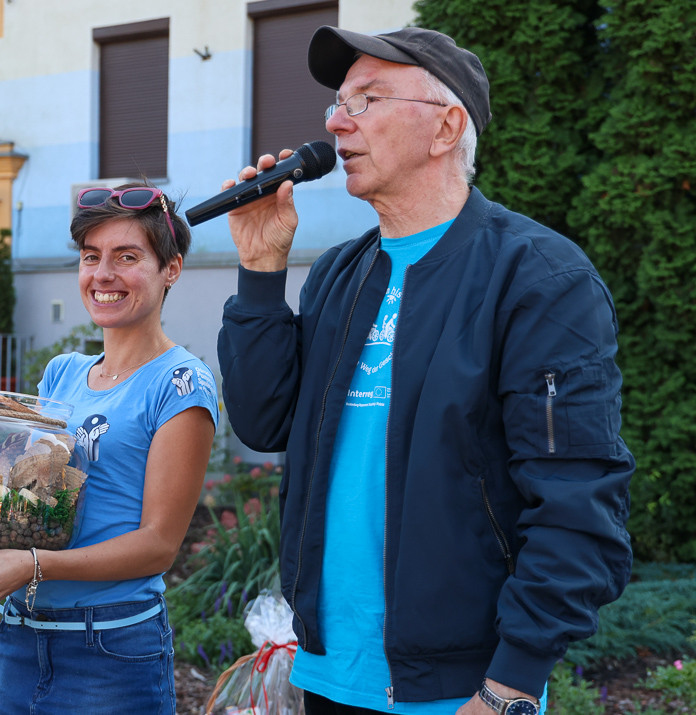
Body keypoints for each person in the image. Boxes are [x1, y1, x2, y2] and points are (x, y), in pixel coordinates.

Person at [216, 25, 634, 715]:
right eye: (338, 102)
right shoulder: (337, 275)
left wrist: (509, 687)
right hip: (324, 675)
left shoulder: (539, 278)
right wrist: (262, 272)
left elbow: (577, 501)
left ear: (446, 128)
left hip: (459, 693)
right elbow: (264, 423)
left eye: (368, 98)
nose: (335, 121)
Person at [0, 184, 219, 714]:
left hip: (112, 647)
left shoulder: (181, 385)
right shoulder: (63, 373)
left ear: (171, 269)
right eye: (91, 257)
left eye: (128, 257)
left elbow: (158, 546)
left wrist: (32, 566)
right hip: (21, 637)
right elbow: (22, 507)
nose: (103, 274)